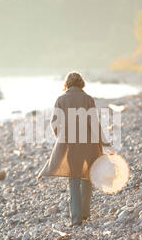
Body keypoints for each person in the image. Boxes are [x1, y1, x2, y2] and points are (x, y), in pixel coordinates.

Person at [38, 72, 114, 226]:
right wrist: (105, 143)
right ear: (81, 84)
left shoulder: (61, 100)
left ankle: (76, 219)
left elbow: (54, 123)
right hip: (89, 144)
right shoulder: (88, 99)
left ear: (67, 83)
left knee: (74, 180)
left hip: (71, 145)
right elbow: (94, 124)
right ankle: (85, 213)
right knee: (88, 176)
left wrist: (61, 136)